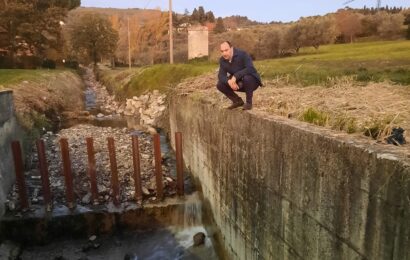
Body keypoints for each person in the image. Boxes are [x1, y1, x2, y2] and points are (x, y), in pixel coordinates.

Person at [217, 41, 262, 110]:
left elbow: (251, 68)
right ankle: (237, 101)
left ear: (231, 48)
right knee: (220, 84)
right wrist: (228, 81)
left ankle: (249, 103)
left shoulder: (243, 54)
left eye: (226, 50)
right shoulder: (222, 60)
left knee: (247, 78)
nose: (224, 53)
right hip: (239, 84)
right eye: (222, 51)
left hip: (252, 82)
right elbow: (221, 75)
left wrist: (235, 76)